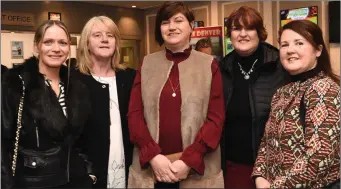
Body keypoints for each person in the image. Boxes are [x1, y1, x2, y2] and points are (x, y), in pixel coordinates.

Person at [127, 1, 225, 188]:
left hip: (196, 170)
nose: (171, 27)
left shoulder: (208, 65)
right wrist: (153, 156)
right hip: (152, 169)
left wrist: (188, 160)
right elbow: (134, 115)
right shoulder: (147, 64)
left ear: (191, 26)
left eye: (178, 20)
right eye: (165, 22)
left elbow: (216, 119)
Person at [1, 20, 92, 188]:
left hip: (75, 181)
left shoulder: (78, 87)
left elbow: (83, 140)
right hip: (34, 182)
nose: (56, 49)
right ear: (37, 47)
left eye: (62, 43)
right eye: (48, 42)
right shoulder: (15, 85)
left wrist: (88, 171)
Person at [252, 20, 340, 189]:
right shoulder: (281, 92)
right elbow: (267, 142)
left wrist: (275, 186)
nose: (290, 50)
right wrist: (260, 175)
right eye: (284, 45)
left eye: (299, 43)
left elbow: (321, 156)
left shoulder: (324, 88)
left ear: (318, 50)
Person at [219, 6, 289, 188]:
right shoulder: (221, 68)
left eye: (249, 28)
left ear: (259, 32)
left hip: (274, 167)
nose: (243, 34)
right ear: (230, 34)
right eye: (236, 28)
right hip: (233, 166)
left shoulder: (280, 65)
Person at [76, 16, 136, 188]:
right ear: (86, 43)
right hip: (89, 175)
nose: (104, 39)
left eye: (110, 35)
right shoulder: (74, 80)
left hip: (128, 170)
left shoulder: (130, 78)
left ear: (116, 43)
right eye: (97, 35)